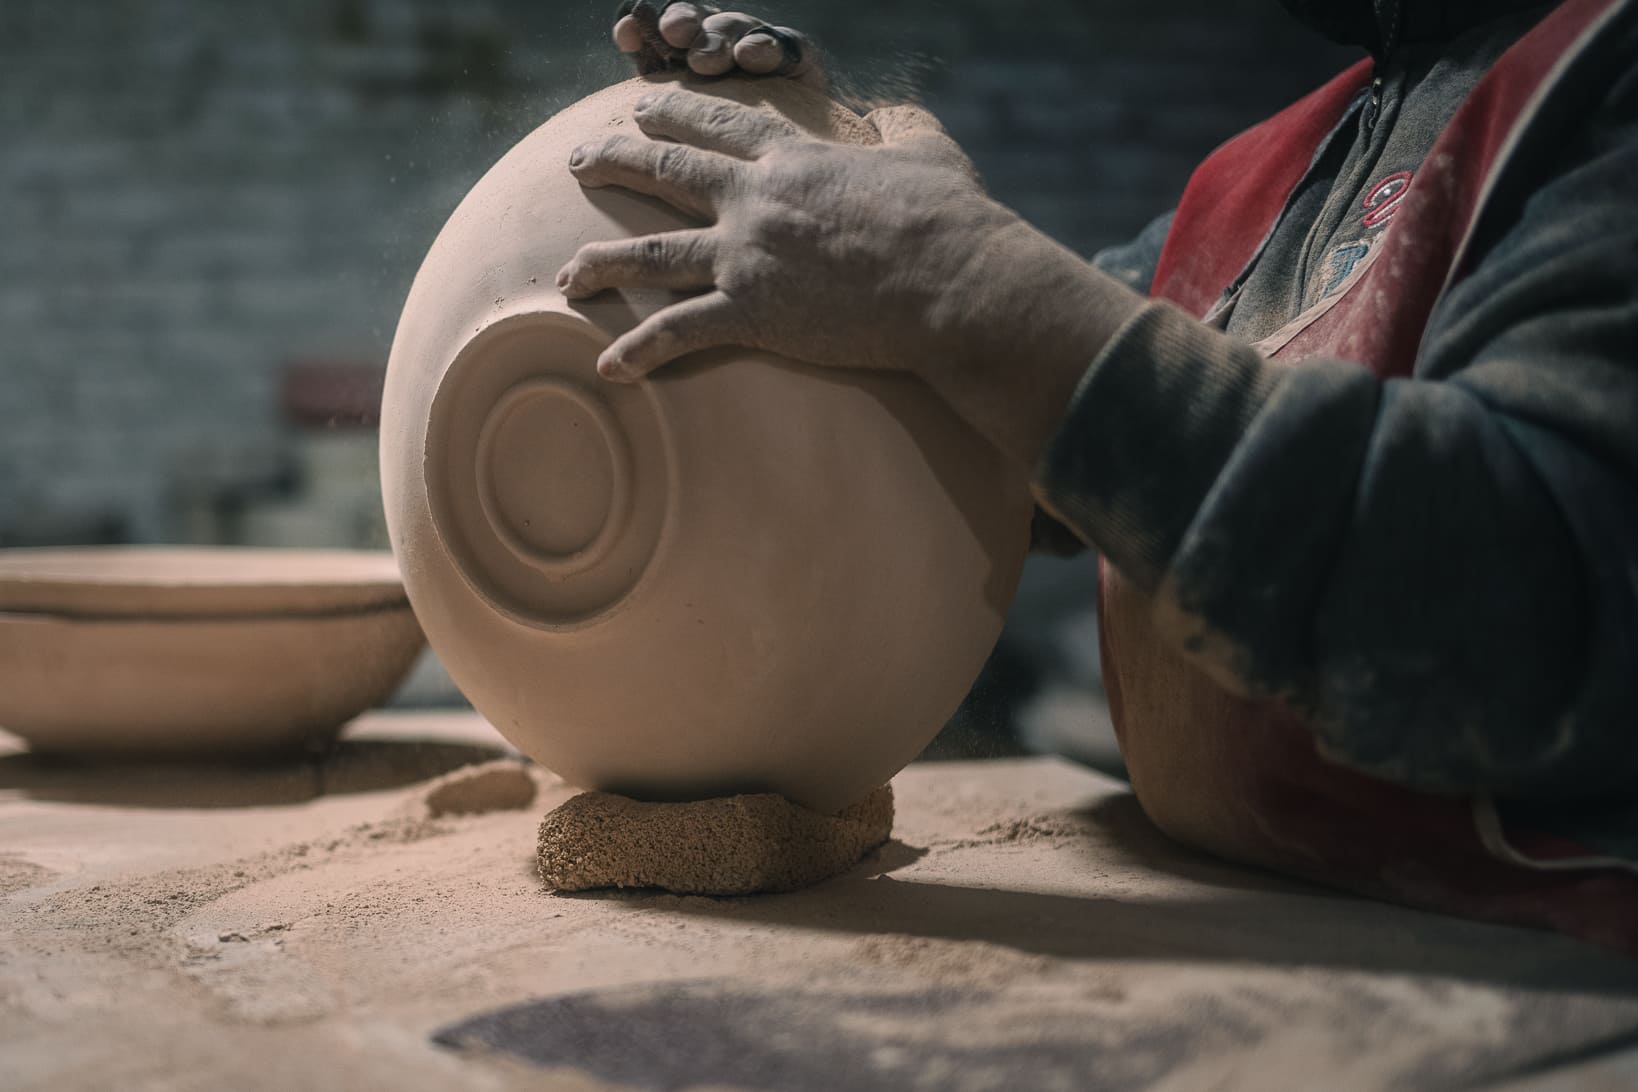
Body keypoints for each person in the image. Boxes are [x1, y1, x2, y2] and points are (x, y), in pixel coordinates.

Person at [570, 0, 1638, 953]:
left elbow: (1543, 599)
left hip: (1541, 962)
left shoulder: (1606, 79)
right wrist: (826, 176)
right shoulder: (1264, 171)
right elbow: (1007, 431)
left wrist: (955, 275)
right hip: (1260, 926)